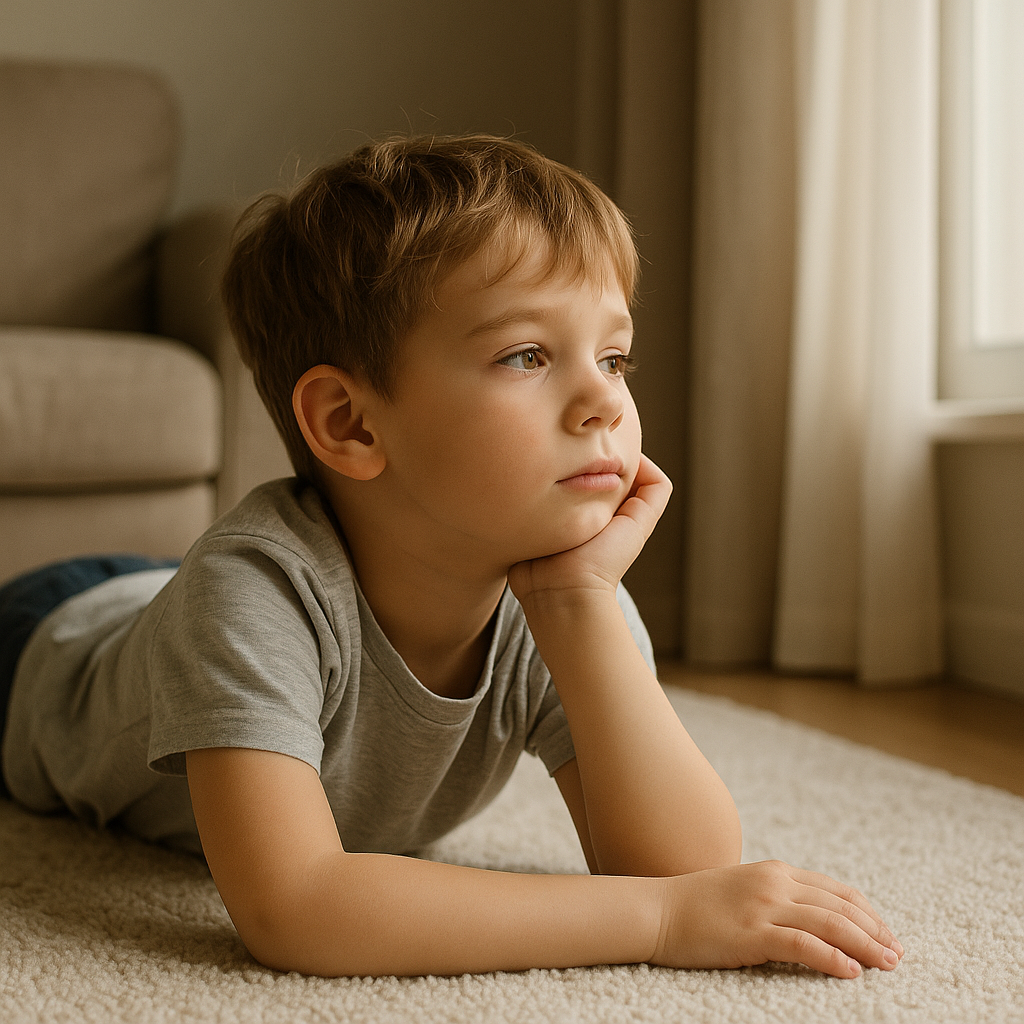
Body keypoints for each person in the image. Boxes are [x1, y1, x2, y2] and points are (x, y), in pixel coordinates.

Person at [0, 135, 903, 979]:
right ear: (351, 424)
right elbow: (297, 908)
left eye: (616, 358)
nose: (603, 401)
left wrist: (583, 607)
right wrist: (660, 925)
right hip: (46, 641)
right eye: (526, 355)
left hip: (160, 593)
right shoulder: (250, 593)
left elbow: (685, 865)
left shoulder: (562, 591)